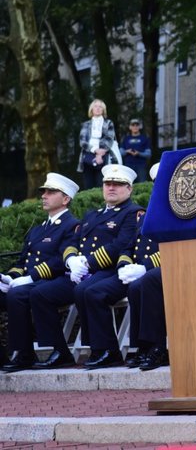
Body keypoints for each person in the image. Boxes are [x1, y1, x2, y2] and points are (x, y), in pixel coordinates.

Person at [30, 165, 142, 369]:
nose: (111, 188)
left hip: (118, 270)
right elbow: (74, 241)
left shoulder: (132, 213)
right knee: (63, 291)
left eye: (118, 184)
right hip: (89, 272)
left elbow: (121, 245)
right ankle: (94, 349)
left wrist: (88, 262)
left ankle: (108, 350)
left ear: (129, 189)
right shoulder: (93, 215)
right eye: (108, 183)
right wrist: (72, 259)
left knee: (91, 292)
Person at [0, 174, 80, 372]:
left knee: (20, 294)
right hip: (35, 282)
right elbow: (22, 262)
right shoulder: (37, 230)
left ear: (66, 199)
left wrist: (31, 277)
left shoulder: (73, 225)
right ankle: (7, 354)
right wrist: (10, 277)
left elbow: (62, 260)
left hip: (62, 281)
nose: (44, 195)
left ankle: (46, 352)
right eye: (43, 191)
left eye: (50, 192)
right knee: (10, 291)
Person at [121, 163, 166, 371]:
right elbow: (129, 245)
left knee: (147, 281)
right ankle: (142, 346)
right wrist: (125, 265)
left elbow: (174, 245)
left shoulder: (180, 206)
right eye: (156, 183)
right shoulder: (148, 212)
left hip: (172, 264)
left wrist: (145, 266)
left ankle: (157, 348)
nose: (160, 186)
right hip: (149, 270)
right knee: (134, 287)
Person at [77, 99, 117, 190]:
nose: (98, 108)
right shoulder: (85, 124)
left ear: (103, 110)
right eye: (96, 106)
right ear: (91, 109)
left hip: (104, 156)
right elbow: (82, 141)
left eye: (100, 107)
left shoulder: (108, 123)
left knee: (102, 184)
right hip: (87, 155)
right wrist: (95, 150)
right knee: (88, 185)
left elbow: (109, 139)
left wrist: (100, 154)